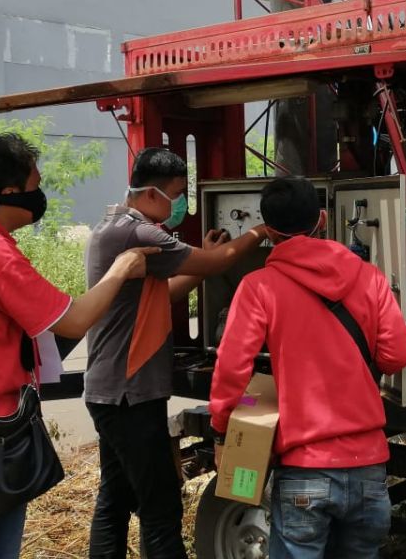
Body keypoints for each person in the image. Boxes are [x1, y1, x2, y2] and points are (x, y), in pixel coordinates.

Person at [0, 133, 157, 559]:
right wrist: (121, 268)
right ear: (8, 193)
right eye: (34, 186)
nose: (40, 195)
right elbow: (75, 318)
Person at [209, 176, 406, 559]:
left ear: (269, 231)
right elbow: (398, 355)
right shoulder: (369, 277)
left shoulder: (259, 287)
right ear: (322, 219)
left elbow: (232, 367)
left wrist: (222, 431)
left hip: (306, 470)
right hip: (370, 466)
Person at [83, 147, 270, 559]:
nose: (180, 202)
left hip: (112, 391)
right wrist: (259, 231)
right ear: (151, 193)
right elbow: (219, 258)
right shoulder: (139, 233)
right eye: (177, 193)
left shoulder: (116, 225)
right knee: (160, 506)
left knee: (115, 497)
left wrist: (205, 260)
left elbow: (167, 291)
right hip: (130, 394)